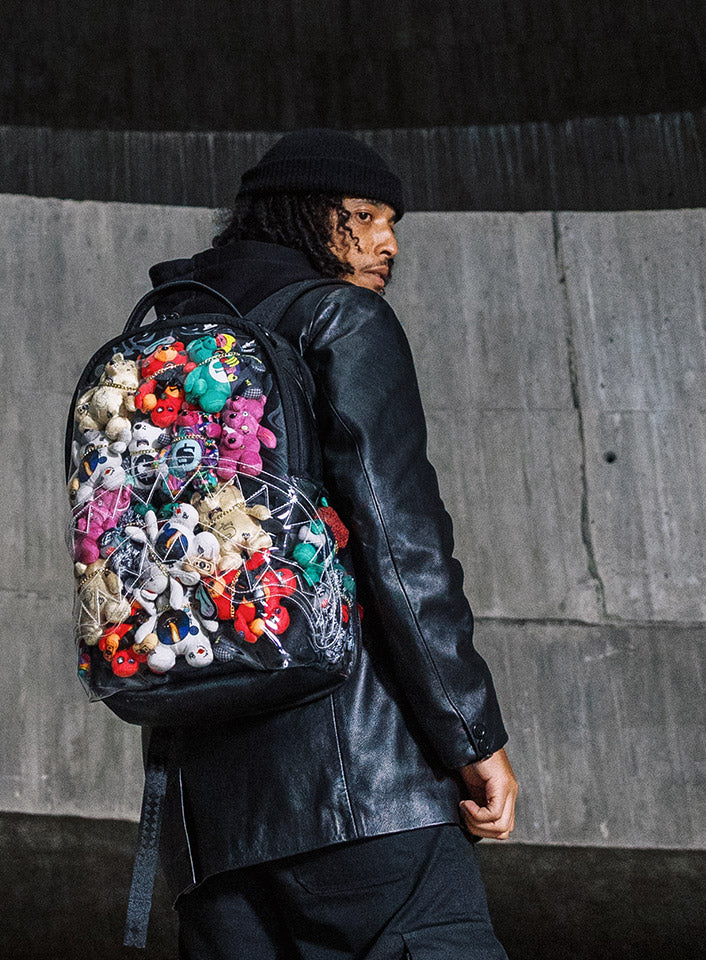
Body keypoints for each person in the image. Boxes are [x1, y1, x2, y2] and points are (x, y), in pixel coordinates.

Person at [146, 129, 517, 959]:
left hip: (205, 822)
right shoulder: (339, 317)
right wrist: (473, 738)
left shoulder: (175, 345)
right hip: (362, 788)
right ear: (309, 215)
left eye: (394, 223)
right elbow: (399, 542)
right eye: (366, 216)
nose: (389, 244)